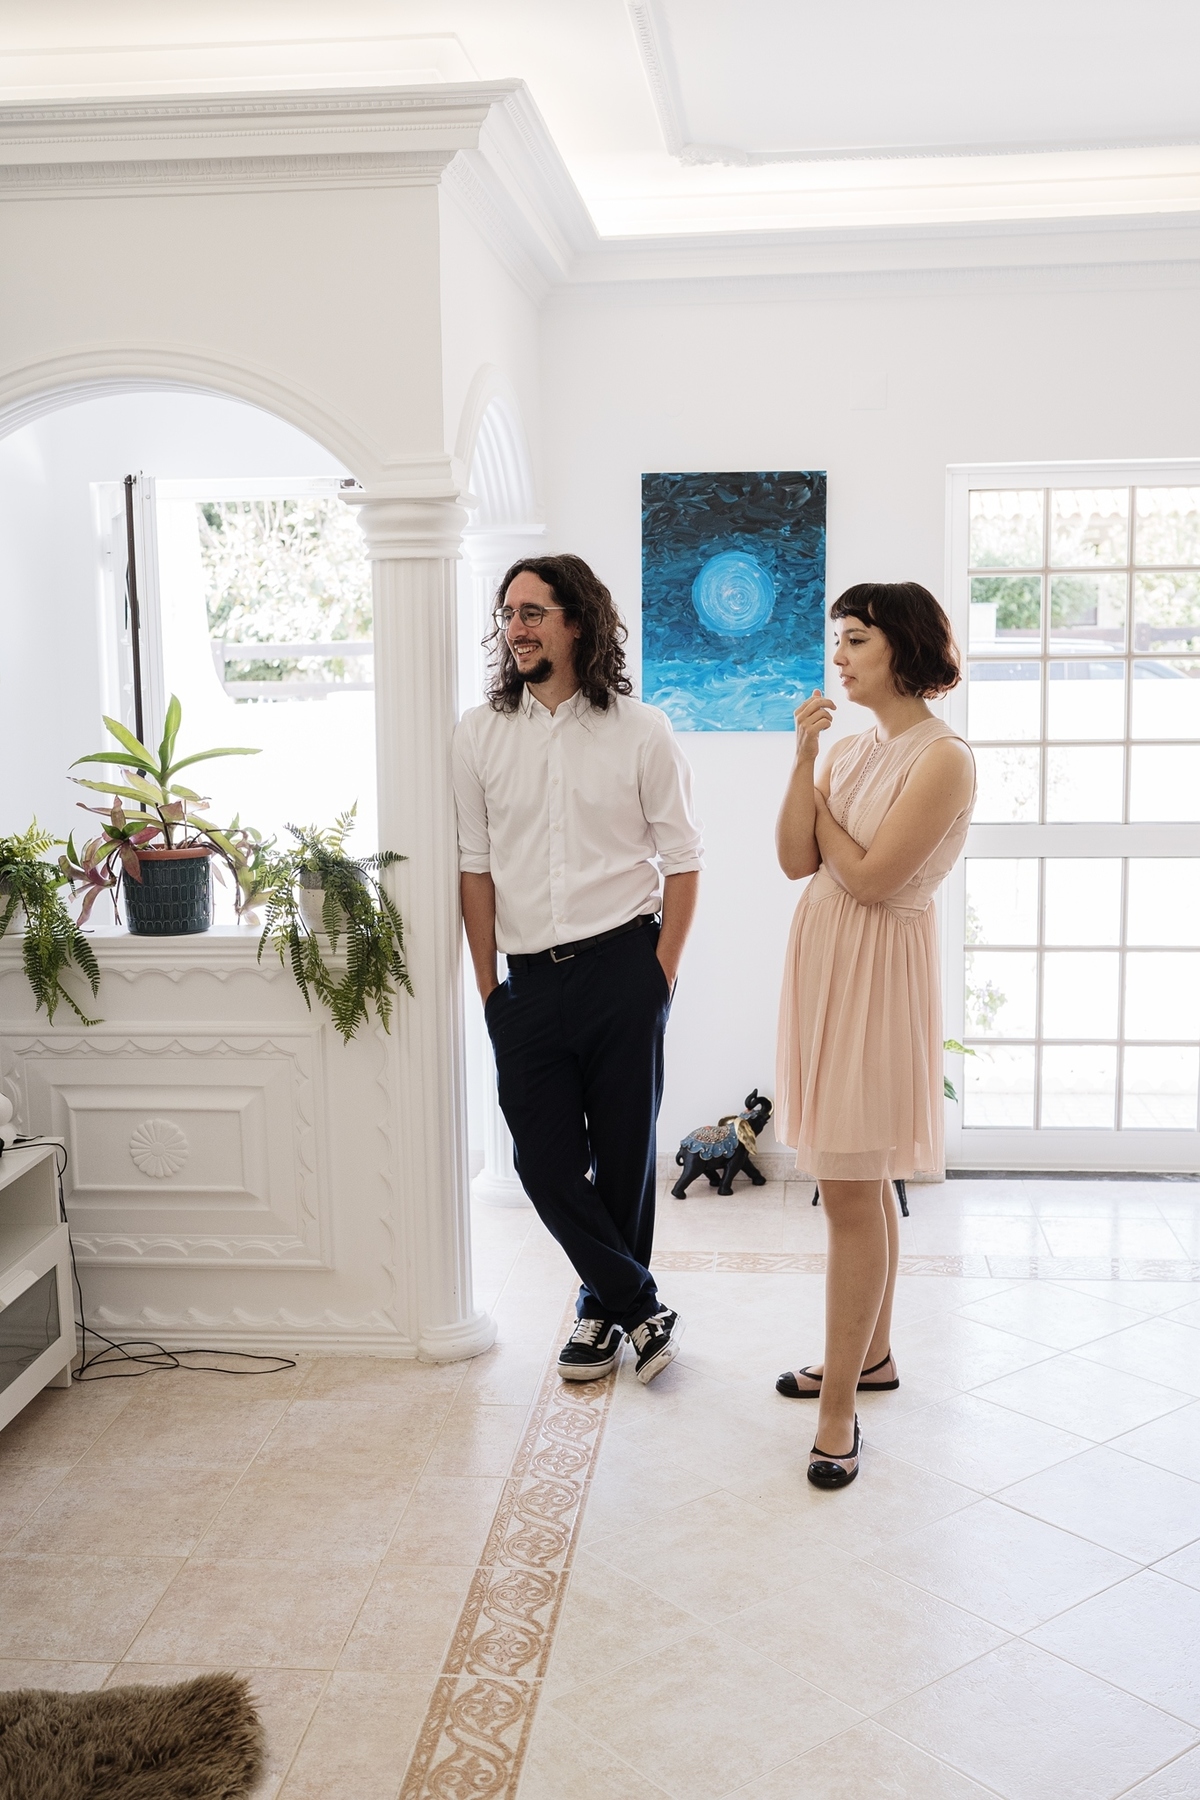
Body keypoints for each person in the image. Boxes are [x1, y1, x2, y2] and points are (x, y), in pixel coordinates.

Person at [453, 554, 702, 1384]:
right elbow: (474, 869)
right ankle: (639, 1305)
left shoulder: (642, 730)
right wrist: (489, 990)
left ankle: (600, 1315)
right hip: (526, 983)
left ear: (577, 622)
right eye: (507, 615)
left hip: (623, 968)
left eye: (531, 613)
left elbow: (684, 861)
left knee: (626, 1156)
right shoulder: (478, 733)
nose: (515, 629)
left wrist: (659, 980)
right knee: (544, 1162)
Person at [774, 582, 975, 1489]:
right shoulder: (852, 749)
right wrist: (803, 759)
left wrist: (825, 826)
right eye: (839, 640)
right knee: (859, 1179)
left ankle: (838, 1412)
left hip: (876, 977)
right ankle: (874, 1356)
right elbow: (796, 860)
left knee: (850, 1192)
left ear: (903, 647)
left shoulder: (943, 758)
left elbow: (868, 878)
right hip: (829, 971)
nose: (840, 657)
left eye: (856, 639)